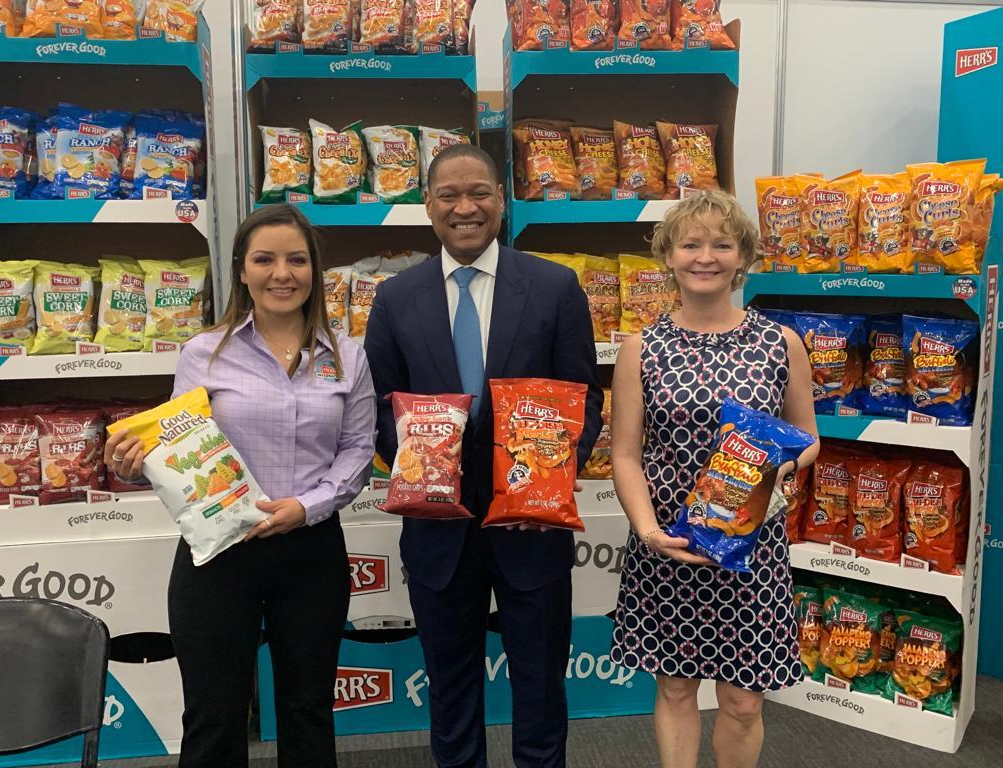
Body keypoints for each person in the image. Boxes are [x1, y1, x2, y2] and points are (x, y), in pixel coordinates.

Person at [104, 204, 377, 768]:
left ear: (315, 270)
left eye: (297, 260)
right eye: (265, 259)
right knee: (213, 715)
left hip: (310, 551)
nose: (283, 273)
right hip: (219, 552)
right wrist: (139, 464)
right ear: (242, 269)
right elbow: (181, 449)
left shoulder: (349, 356)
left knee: (307, 712)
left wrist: (307, 507)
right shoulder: (205, 351)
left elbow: (356, 453)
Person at [364, 143, 603, 768]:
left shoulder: (554, 287)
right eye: (448, 195)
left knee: (541, 683)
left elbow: (585, 400)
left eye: (479, 194)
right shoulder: (396, 298)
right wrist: (421, 475)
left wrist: (547, 481)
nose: (464, 207)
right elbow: (381, 408)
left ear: (503, 201)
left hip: (532, 527)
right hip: (437, 533)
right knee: (450, 688)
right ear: (428, 206)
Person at [609, 190, 820, 768]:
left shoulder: (781, 343)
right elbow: (626, 455)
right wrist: (651, 532)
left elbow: (809, 437)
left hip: (750, 543)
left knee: (743, 701)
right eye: (691, 244)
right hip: (668, 542)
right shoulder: (640, 349)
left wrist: (779, 465)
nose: (706, 256)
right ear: (669, 257)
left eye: (722, 244)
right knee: (676, 688)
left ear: (742, 257)